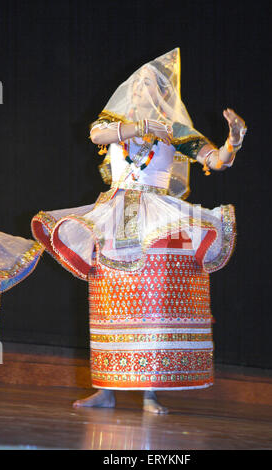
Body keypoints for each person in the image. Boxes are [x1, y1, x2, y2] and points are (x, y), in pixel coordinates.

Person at [30, 48, 246, 413]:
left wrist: (234, 141)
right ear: (132, 89)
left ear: (166, 96)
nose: (149, 90)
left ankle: (149, 392)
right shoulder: (114, 124)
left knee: (155, 302)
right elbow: (97, 136)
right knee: (109, 303)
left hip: (159, 220)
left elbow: (215, 160)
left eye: (158, 86)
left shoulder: (177, 131)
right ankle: (106, 389)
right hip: (115, 217)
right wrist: (143, 127)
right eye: (143, 83)